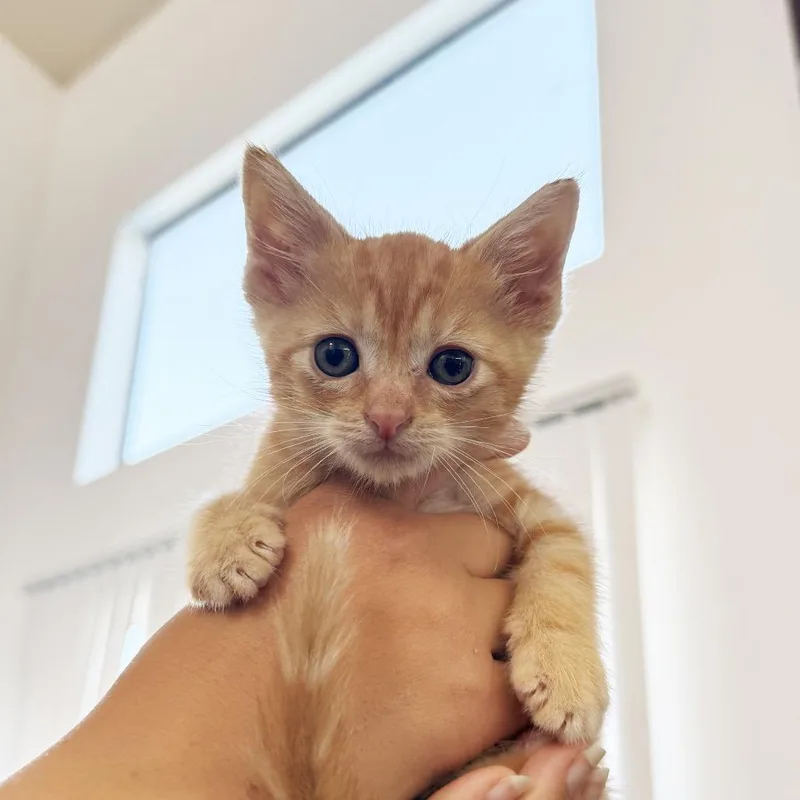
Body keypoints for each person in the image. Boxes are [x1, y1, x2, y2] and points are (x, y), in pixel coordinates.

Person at [0, 481, 608, 800]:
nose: (388, 415)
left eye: (450, 368)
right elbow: (250, 513)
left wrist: (554, 630)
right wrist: (228, 522)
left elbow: (553, 538)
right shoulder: (293, 459)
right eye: (337, 359)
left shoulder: (482, 470)